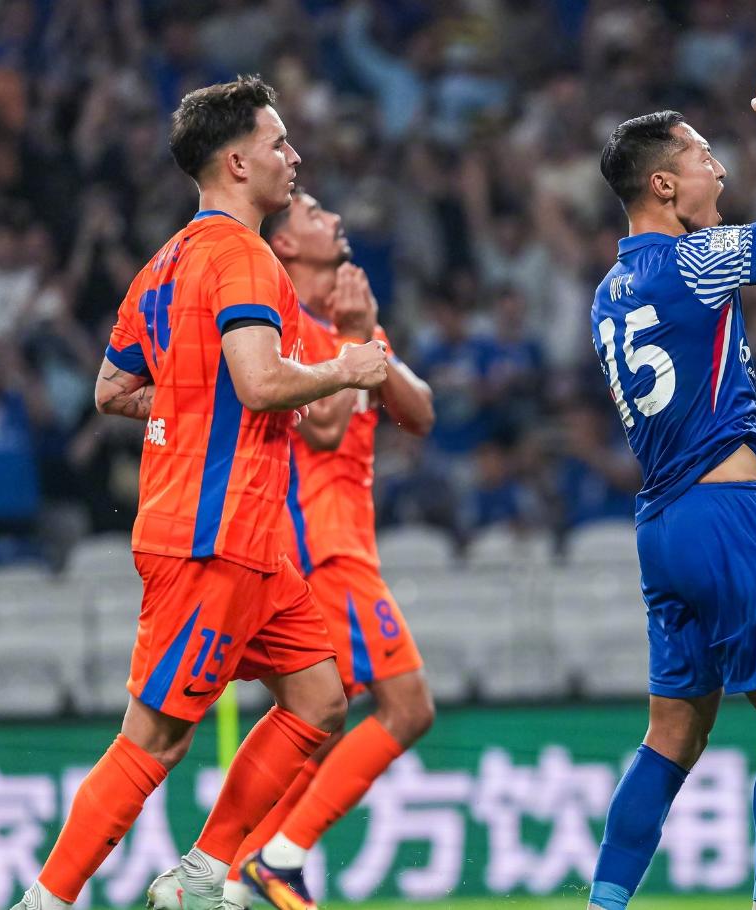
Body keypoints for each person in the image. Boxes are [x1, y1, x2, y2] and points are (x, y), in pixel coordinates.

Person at [12, 77, 389, 910]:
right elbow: (257, 383)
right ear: (237, 161)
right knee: (154, 738)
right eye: (279, 142)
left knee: (320, 699)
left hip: (248, 539)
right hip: (209, 535)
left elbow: (113, 389)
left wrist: (193, 399)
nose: (294, 156)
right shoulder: (244, 257)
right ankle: (46, 901)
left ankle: (201, 875)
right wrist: (346, 365)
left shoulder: (163, 264)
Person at [585, 69, 756, 910]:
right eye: (703, 157)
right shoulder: (694, 260)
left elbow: (678, 408)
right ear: (663, 185)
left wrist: (752, 451)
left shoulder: (608, 294)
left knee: (672, 735)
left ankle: (603, 904)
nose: (720, 170)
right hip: (723, 519)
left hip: (663, 524)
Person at [219, 190, 436, 910]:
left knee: (316, 730)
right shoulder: (281, 328)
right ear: (285, 245)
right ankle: (279, 858)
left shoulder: (349, 324)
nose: (333, 219)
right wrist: (352, 340)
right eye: (313, 214)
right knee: (408, 706)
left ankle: (234, 877)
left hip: (346, 547)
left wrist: (369, 337)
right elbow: (323, 428)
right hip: (317, 551)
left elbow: (420, 413)